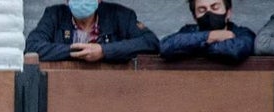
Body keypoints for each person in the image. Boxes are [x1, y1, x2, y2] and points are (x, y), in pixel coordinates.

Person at [24, 0, 159, 63]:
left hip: (113, 89)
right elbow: (32, 45)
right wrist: (75, 52)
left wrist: (104, 51)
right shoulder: (54, 15)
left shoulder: (120, 15)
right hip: (64, 89)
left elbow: (151, 43)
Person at [160, 1, 254, 64]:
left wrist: (191, 46)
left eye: (215, 7)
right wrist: (209, 36)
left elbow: (234, 50)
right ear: (194, 17)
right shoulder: (188, 31)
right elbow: (165, 46)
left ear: (228, 13)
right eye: (202, 10)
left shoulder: (242, 33)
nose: (209, 13)